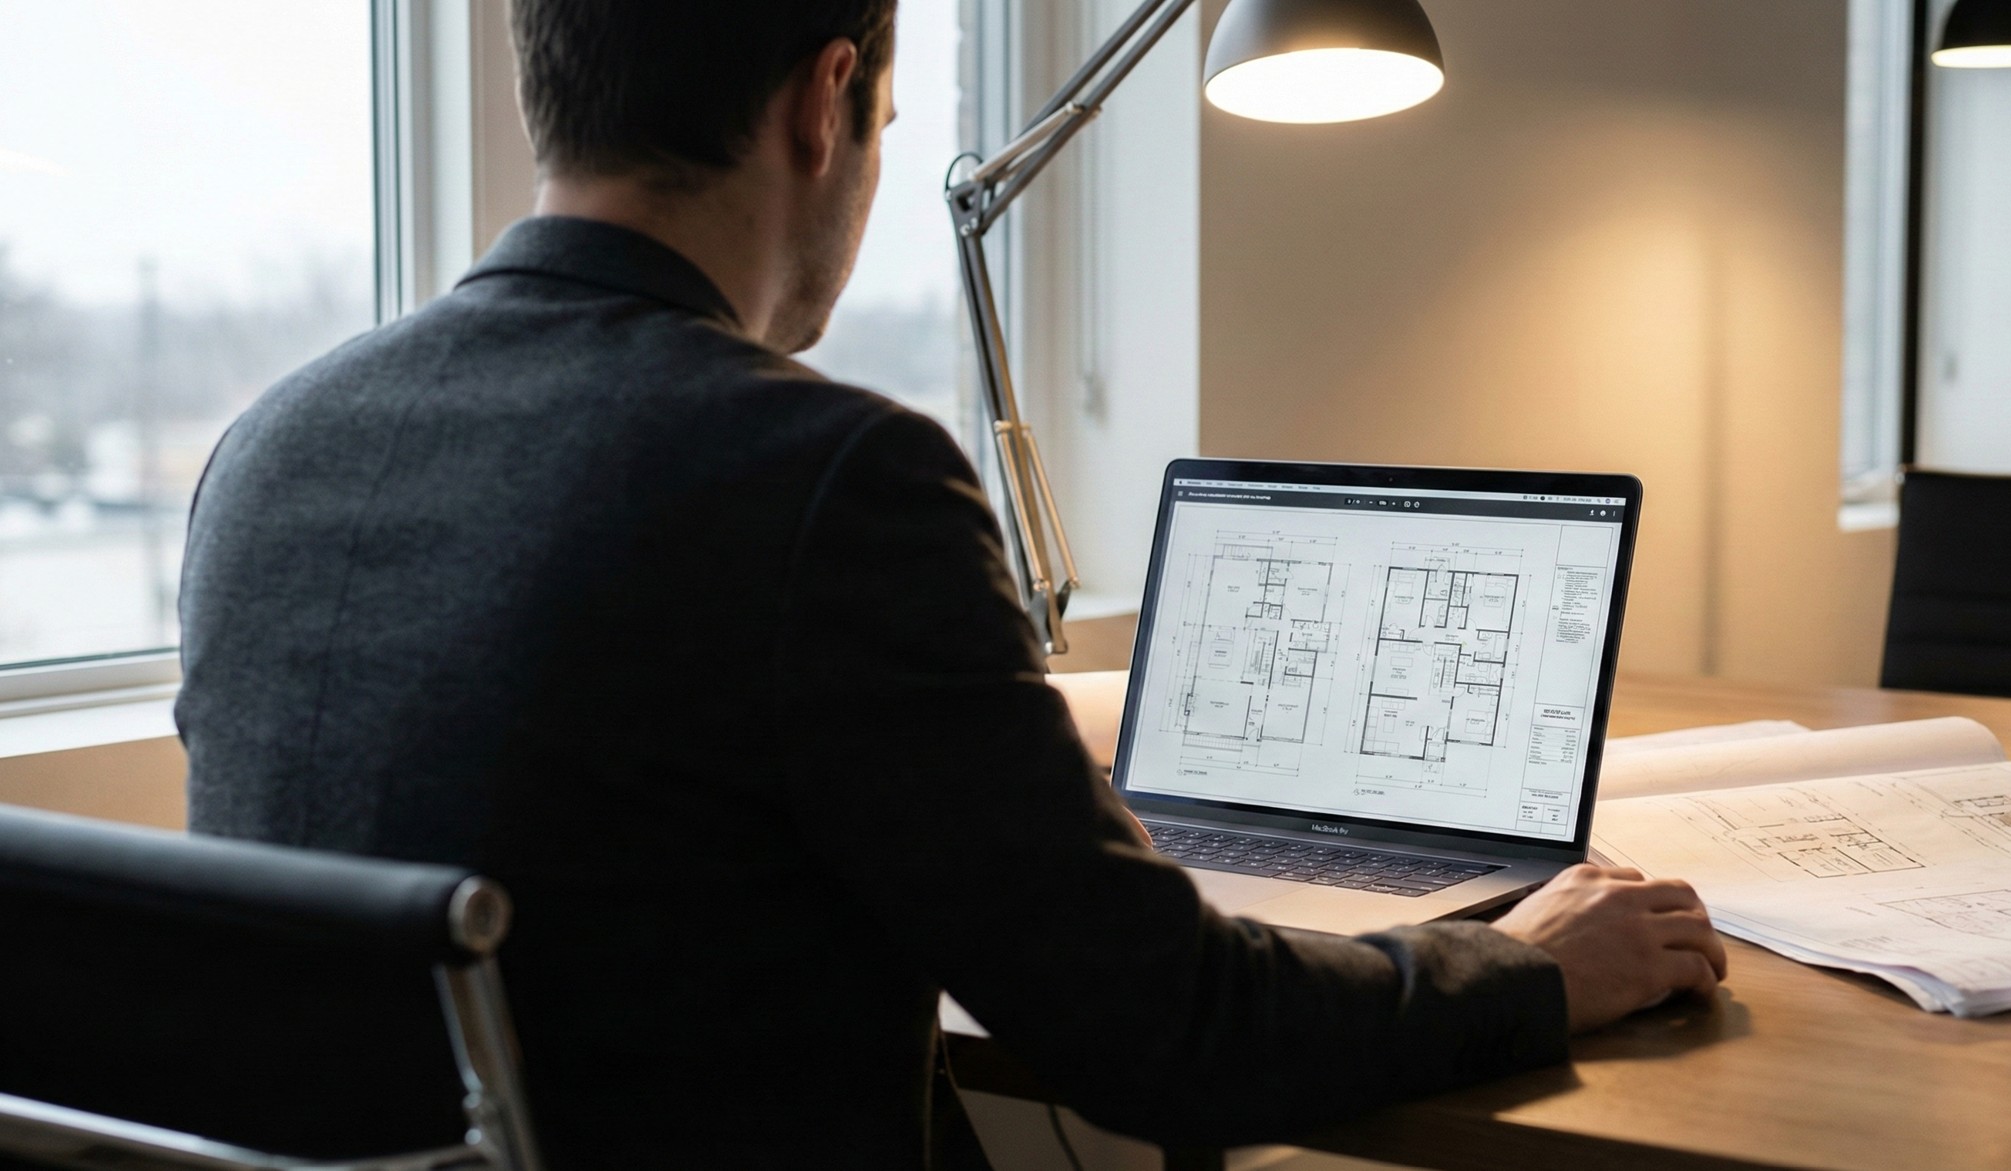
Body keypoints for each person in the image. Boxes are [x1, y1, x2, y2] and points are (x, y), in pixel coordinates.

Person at [175, 1, 1727, 1166]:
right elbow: (1169, 1033)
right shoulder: (827, 473)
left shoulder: (270, 447)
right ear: (826, 98)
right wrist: (1525, 971)